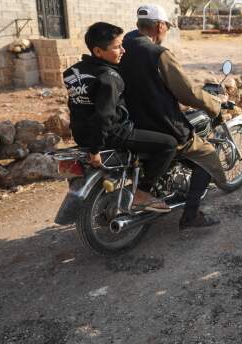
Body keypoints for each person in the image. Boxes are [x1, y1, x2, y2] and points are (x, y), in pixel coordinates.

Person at [119, 4, 231, 229]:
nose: (166, 31)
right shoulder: (157, 53)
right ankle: (191, 215)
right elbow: (187, 92)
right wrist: (215, 107)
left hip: (129, 122)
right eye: (167, 27)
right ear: (159, 26)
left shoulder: (121, 46)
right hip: (158, 122)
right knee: (207, 155)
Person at [64, 22, 177, 212]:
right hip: (111, 134)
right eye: (117, 47)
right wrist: (95, 149)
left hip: (82, 134)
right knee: (169, 144)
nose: (123, 50)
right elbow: (104, 115)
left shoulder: (73, 72)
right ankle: (142, 192)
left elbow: (77, 106)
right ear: (98, 51)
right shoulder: (109, 77)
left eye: (122, 44)